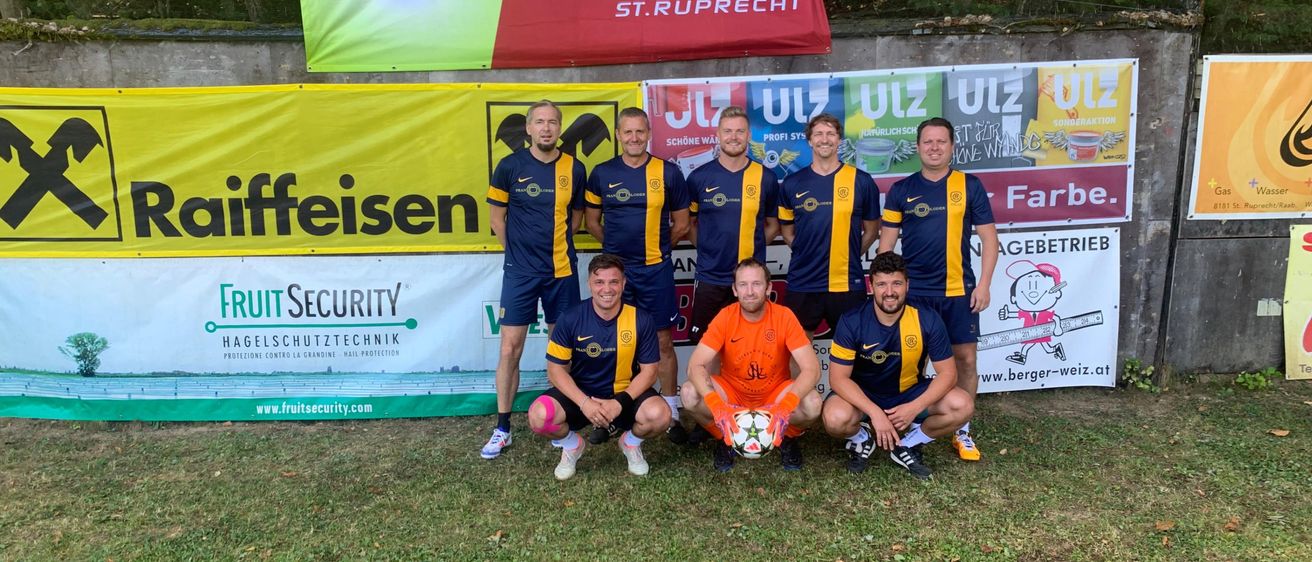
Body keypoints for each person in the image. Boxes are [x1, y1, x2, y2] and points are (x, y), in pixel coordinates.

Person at [877, 117, 998, 462]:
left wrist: (985, 285)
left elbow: (990, 238)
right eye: (927, 142)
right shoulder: (901, 190)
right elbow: (886, 249)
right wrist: (887, 291)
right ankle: (909, 419)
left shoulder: (969, 185)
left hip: (959, 291)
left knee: (965, 360)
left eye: (941, 142)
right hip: (915, 294)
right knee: (914, 361)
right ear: (917, 147)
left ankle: (962, 429)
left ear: (952, 146)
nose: (934, 147)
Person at [482, 100, 587, 459]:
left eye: (552, 122)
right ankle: (502, 428)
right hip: (521, 274)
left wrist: (553, 248)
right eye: (539, 122)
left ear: (560, 128)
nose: (546, 128)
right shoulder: (510, 166)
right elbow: (498, 220)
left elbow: (576, 219)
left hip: (561, 272)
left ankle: (562, 419)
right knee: (510, 348)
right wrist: (519, 257)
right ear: (528, 128)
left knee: (564, 350)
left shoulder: (575, 168)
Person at [584, 107, 692, 443]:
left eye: (640, 132)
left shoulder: (669, 173)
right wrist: (617, 257)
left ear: (649, 134)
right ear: (618, 135)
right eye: (627, 132)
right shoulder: (601, 173)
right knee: (614, 343)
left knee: (661, 341)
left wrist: (657, 251)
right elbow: (591, 223)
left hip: (655, 272)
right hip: (617, 275)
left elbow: (682, 224)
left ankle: (671, 411)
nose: (634, 138)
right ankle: (611, 413)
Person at [821, 252, 974, 479]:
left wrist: (914, 407)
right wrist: (875, 413)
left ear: (907, 285)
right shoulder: (852, 320)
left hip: (909, 393)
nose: (889, 292)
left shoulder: (927, 318)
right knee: (835, 419)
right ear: (871, 285)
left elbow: (948, 374)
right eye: (882, 284)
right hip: (865, 396)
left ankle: (907, 444)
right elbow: (838, 378)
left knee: (963, 405)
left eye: (896, 283)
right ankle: (862, 438)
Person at [527, 254, 670, 480]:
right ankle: (572, 446)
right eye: (599, 282)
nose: (607, 289)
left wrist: (619, 402)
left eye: (614, 281)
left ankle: (630, 443)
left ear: (623, 284)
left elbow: (650, 371)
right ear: (589, 285)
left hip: (623, 396)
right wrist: (584, 403)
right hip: (581, 398)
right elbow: (555, 370)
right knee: (539, 415)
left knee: (660, 415)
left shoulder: (641, 319)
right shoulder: (570, 317)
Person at [680, 258, 822, 472]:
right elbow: (695, 365)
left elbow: (812, 369)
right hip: (733, 395)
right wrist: (717, 406)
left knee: (812, 403)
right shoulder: (725, 317)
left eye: (756, 284)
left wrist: (786, 405)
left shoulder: (784, 316)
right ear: (735, 290)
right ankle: (726, 437)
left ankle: (785, 437)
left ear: (768, 287)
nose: (750, 291)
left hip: (774, 394)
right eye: (743, 285)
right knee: (690, 393)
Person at [777, 113, 880, 339]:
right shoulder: (791, 184)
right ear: (809, 141)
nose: (825, 139)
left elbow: (872, 230)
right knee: (797, 350)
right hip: (803, 281)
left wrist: (848, 252)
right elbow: (786, 232)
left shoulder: (861, 181)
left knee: (853, 351)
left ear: (840, 140)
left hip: (846, 282)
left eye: (831, 134)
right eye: (819, 134)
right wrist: (809, 252)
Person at [685, 106, 781, 346]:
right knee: (708, 347)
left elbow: (772, 225)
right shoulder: (699, 178)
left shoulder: (765, 178)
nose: (734, 137)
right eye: (728, 131)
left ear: (749, 135)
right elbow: (689, 224)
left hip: (751, 280)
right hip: (711, 276)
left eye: (740, 131)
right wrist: (708, 248)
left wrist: (753, 245)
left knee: (753, 344)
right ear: (717, 134)